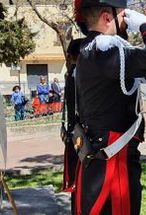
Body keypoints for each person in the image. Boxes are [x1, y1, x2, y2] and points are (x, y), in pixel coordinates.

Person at [73, 0, 146, 214]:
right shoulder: (108, 51)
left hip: (99, 153)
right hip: (114, 161)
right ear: (107, 18)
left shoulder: (87, 50)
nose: (127, 23)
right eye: (123, 16)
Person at [61, 38, 83, 214]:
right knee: (81, 181)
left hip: (73, 133)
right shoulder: (78, 75)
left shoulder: (70, 74)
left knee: (78, 183)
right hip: (81, 137)